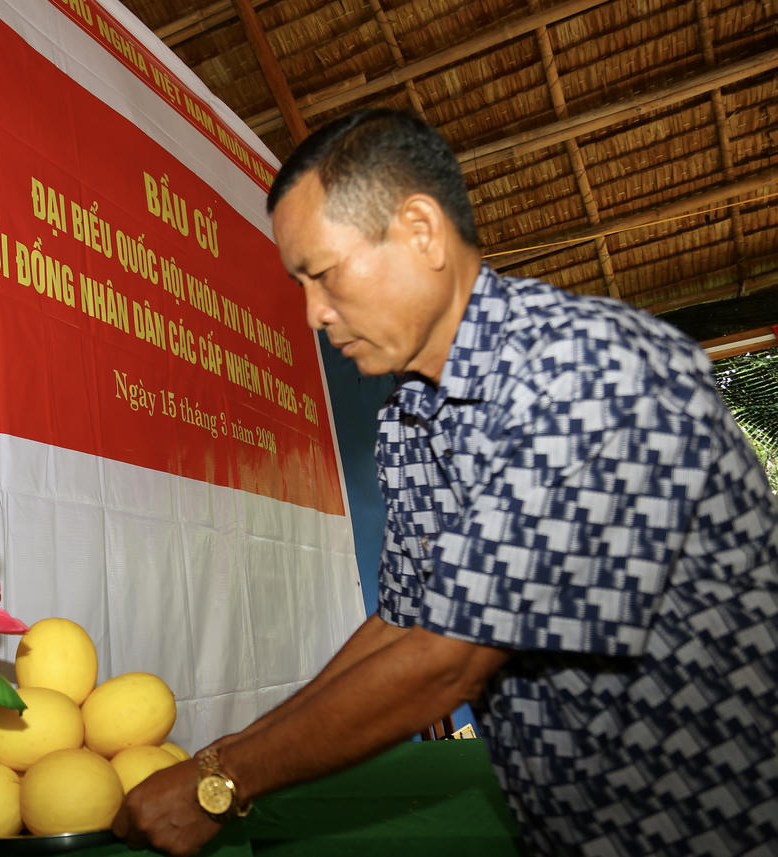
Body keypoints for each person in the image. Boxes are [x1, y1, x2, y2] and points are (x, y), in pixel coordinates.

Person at [112, 109, 778, 856]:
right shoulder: (410, 418)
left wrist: (223, 780)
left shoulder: (584, 366)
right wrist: (231, 748)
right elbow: (404, 619)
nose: (313, 314)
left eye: (323, 274)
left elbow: (449, 658)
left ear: (421, 230)